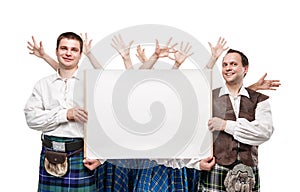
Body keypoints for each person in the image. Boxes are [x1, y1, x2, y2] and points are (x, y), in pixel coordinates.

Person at [24, 32, 101, 191]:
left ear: (81, 54)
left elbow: (106, 121)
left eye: (74, 50)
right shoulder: (43, 85)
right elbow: (31, 118)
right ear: (57, 51)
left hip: (81, 156)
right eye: (64, 48)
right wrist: (65, 114)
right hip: (48, 154)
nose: (68, 53)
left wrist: (102, 158)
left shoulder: (91, 84)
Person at [199, 48, 275, 191]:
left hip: (248, 172)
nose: (228, 68)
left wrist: (225, 125)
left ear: (245, 69)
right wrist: (197, 162)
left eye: (233, 64)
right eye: (224, 65)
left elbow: (264, 132)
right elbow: (194, 133)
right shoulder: (209, 97)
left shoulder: (260, 100)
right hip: (215, 169)